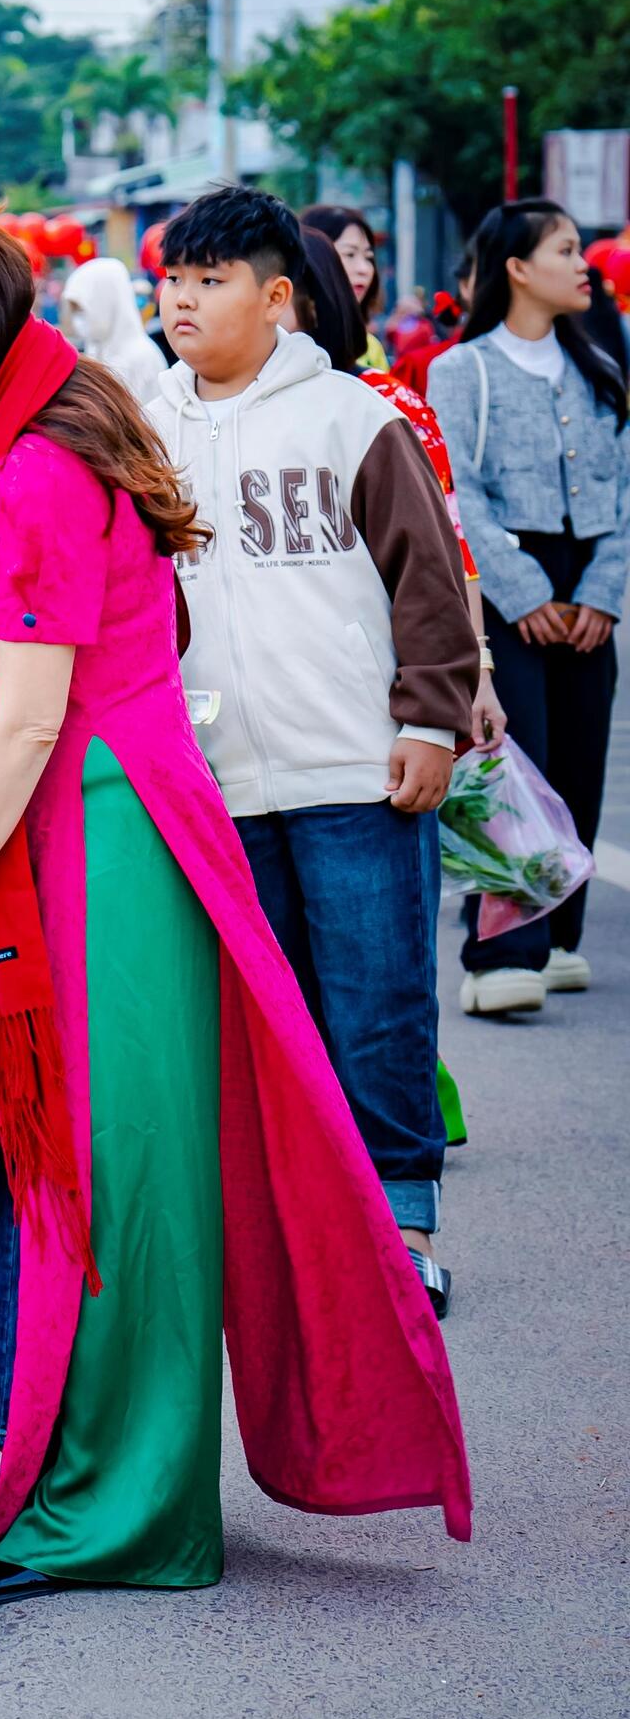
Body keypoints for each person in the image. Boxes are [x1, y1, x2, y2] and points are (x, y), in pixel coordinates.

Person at [0, 145, 470, 1606]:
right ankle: (120, 1481)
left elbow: (31, 711)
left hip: (104, 825)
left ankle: (129, 1504)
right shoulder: (48, 426)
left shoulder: (38, 461)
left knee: (128, 1180)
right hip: (105, 818)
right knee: (125, 1173)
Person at [150, 188, 478, 1317]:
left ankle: (405, 1227)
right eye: (172, 281)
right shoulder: (147, 423)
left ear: (277, 297)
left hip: (356, 771)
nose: (184, 301)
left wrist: (430, 720)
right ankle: (305, 1237)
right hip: (214, 783)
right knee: (269, 1018)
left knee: (378, 1000)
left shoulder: (351, 415)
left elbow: (427, 580)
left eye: (212, 280)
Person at [428, 201, 630, 1016]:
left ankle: (560, 937)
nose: (585, 264)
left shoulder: (601, 366)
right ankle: (500, 950)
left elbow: (622, 491)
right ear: (516, 266)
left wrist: (601, 594)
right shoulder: (462, 367)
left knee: (580, 755)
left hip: (592, 580)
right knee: (513, 761)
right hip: (505, 578)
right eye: (567, 249)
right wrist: (527, 593)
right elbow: (457, 494)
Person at [293, 229, 506, 750]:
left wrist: (476, 670)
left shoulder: (384, 402)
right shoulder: (197, 413)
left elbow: (446, 547)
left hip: (380, 697)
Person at [58, 254, 166, 404]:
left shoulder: (143, 357)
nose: (79, 320)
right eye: (75, 311)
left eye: (82, 309)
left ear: (104, 302)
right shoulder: (95, 350)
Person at [301, 202, 388, 366]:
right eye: (350, 254)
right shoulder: (283, 342)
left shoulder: (370, 349)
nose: (364, 269)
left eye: (368, 257)